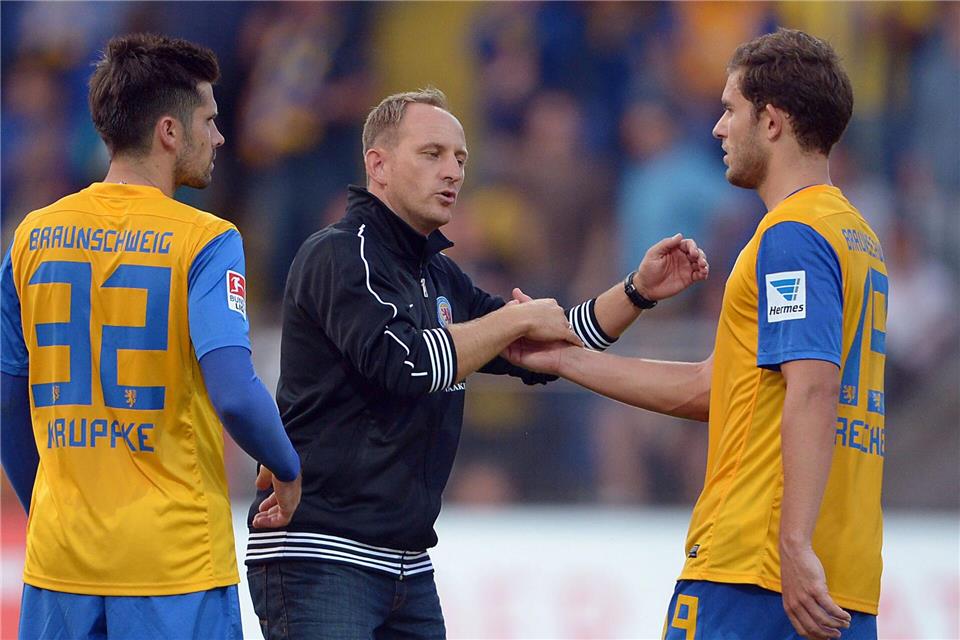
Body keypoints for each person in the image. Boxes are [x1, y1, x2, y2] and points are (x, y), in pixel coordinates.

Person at [243, 87, 708, 639]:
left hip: (406, 563)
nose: (453, 172)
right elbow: (410, 366)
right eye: (432, 154)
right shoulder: (343, 254)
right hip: (321, 554)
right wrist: (513, 321)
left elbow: (549, 348)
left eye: (461, 158)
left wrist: (637, 291)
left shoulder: (439, 276)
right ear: (378, 164)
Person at [505, 29, 886, 640]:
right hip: (839, 581)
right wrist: (564, 360)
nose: (717, 128)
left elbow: (813, 389)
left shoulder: (791, 235)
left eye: (730, 109)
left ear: (773, 121)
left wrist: (792, 542)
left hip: (755, 570)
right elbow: (717, 389)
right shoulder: (856, 237)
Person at [0, 33, 302, 640]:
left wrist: (50, 513)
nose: (220, 137)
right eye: (210, 121)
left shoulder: (30, 239)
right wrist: (288, 467)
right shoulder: (207, 240)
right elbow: (236, 394)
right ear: (170, 131)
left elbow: (9, 399)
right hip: (174, 564)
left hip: (60, 564)